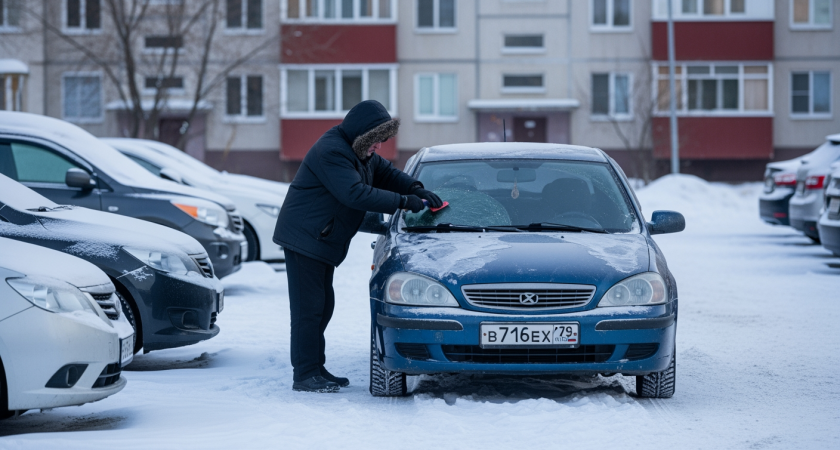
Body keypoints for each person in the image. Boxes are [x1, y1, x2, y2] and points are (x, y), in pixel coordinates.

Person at [273, 100, 442, 393]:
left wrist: (414, 188)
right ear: (363, 134)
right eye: (376, 141)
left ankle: (315, 367)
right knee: (308, 310)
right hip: (304, 238)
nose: (378, 147)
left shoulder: (358, 150)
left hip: (321, 238)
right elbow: (354, 193)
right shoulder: (333, 151)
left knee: (322, 307)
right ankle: (305, 374)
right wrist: (403, 202)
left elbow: (387, 174)